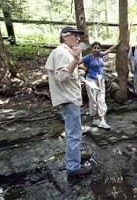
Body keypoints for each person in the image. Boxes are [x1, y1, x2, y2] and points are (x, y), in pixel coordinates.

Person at [45, 26, 92, 176]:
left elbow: (67, 74)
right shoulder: (60, 53)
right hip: (68, 99)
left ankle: (75, 156)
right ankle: (73, 167)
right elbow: (60, 76)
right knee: (74, 134)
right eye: (75, 35)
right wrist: (76, 61)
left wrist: (80, 75)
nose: (78, 38)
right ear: (65, 36)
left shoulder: (66, 52)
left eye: (79, 36)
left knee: (74, 131)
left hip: (70, 97)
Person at [82, 41, 117, 129]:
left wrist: (117, 44)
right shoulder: (87, 58)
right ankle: (95, 118)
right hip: (91, 80)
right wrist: (84, 69)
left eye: (98, 48)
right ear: (91, 49)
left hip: (100, 80)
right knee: (93, 100)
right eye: (95, 48)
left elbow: (109, 50)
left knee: (101, 99)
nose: (97, 50)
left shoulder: (100, 55)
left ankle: (102, 120)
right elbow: (77, 62)